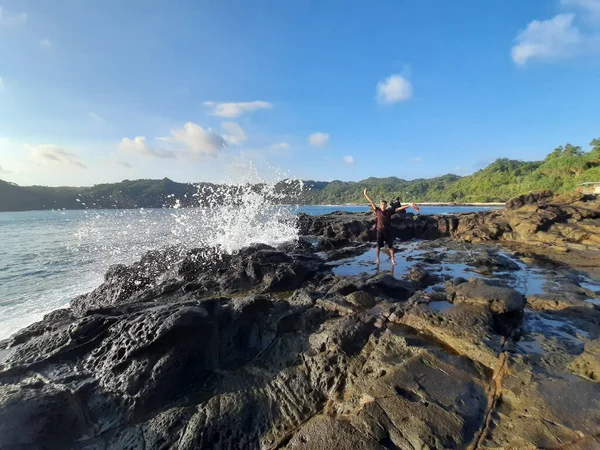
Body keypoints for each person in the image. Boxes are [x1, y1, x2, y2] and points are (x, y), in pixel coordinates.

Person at [363, 188, 420, 265]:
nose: (383, 206)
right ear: (380, 205)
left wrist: (409, 205)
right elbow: (371, 202)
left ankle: (393, 260)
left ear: (386, 206)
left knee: (390, 247)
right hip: (380, 231)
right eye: (382, 204)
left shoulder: (389, 211)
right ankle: (377, 258)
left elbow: (399, 208)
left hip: (388, 231)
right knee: (378, 247)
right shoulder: (377, 211)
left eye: (384, 204)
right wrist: (366, 194)